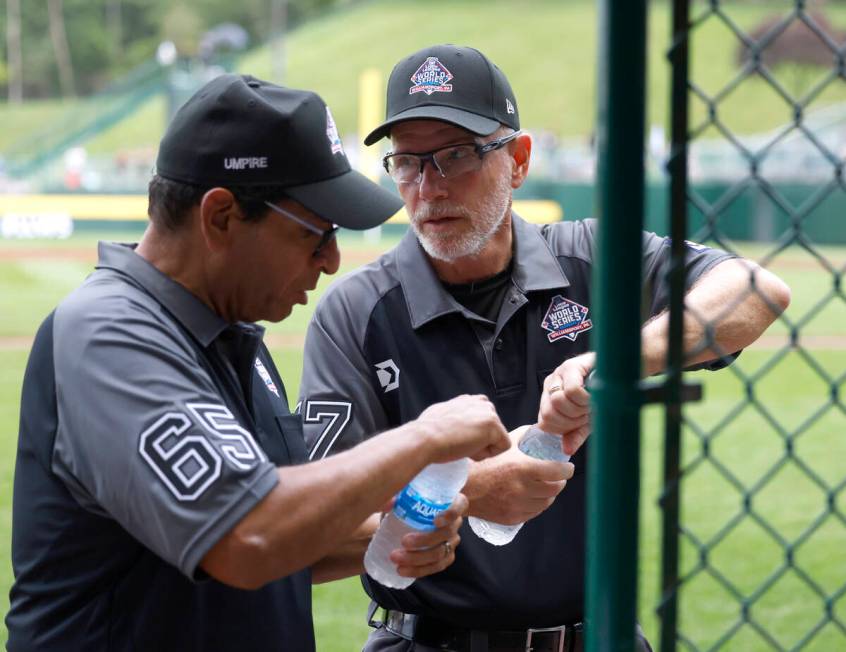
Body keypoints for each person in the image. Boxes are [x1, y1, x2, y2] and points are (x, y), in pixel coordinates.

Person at [298, 45, 792, 652]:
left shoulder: (592, 259)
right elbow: (316, 532)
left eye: (457, 156)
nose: (429, 187)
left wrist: (609, 362)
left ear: (520, 160)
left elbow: (757, 291)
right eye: (407, 162)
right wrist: (469, 492)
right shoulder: (356, 314)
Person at [5, 73, 511, 652]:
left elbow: (274, 535)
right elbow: (247, 537)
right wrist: (423, 440)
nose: (331, 261)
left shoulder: (232, 333)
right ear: (220, 217)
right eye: (316, 232)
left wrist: (388, 537)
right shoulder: (110, 334)